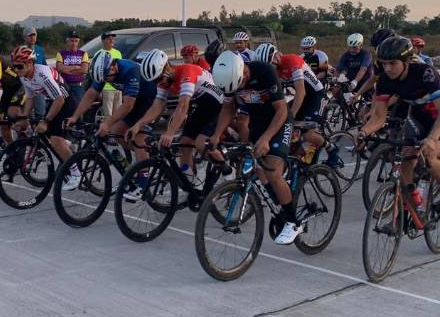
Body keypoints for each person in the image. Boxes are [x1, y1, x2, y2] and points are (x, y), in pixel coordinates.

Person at [210, 51, 300, 245]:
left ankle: (293, 222)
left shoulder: (264, 71)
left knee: (273, 172)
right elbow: (228, 108)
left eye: (241, 84)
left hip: (279, 121)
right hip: (258, 122)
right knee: (259, 170)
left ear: (243, 72)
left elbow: (281, 109)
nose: (240, 88)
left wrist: (266, 139)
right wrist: (217, 135)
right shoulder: (229, 79)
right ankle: (280, 204)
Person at [130, 49, 225, 205]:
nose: (159, 83)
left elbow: (183, 106)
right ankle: (191, 187)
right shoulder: (164, 79)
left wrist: (169, 133)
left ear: (167, 68)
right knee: (184, 144)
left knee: (201, 143)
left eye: (159, 78)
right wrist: (138, 124)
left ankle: (228, 173)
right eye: (155, 81)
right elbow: (157, 106)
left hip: (219, 107)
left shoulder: (186, 71)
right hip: (203, 107)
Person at [359, 36, 440, 212]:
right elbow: (379, 117)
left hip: (437, 119)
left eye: (393, 63)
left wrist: (433, 138)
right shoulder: (384, 80)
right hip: (419, 117)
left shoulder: (425, 73)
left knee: (430, 156)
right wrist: (363, 133)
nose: (388, 68)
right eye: (384, 64)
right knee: (405, 157)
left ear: (406, 61)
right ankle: (411, 198)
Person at [255, 43, 340, 167]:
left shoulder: (292, 61)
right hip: (303, 98)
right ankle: (300, 155)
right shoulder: (275, 69)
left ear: (276, 57)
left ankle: (332, 149)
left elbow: (301, 92)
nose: (269, 70)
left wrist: (291, 116)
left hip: (316, 96)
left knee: (309, 133)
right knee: (285, 125)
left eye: (270, 65)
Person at [67, 50, 157, 165]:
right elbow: (90, 95)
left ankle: (143, 172)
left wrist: (107, 123)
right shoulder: (104, 73)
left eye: (106, 78)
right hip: (135, 100)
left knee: (138, 141)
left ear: (113, 67)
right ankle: (149, 156)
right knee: (117, 132)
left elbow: (128, 105)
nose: (105, 81)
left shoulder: (130, 70)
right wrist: (75, 117)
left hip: (149, 100)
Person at [10, 45, 80, 190]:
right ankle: (67, 144)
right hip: (54, 101)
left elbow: (60, 99)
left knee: (55, 139)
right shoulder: (24, 76)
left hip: (66, 101)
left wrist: (46, 121)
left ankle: (75, 173)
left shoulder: (42, 74)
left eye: (19, 66)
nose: (16, 70)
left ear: (30, 63)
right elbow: (30, 98)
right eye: (14, 66)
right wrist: (23, 117)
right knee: (45, 133)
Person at [56, 31, 89, 102]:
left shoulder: (83, 54)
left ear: (78, 41)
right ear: (67, 40)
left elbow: (84, 70)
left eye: (76, 41)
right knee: (63, 105)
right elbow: (59, 68)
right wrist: (75, 67)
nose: (74, 44)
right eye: (72, 41)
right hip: (65, 85)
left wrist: (66, 70)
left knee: (78, 106)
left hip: (78, 86)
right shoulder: (61, 53)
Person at [99, 32, 123, 118]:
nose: (111, 40)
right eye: (109, 39)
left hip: (118, 87)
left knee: (118, 114)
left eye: (113, 39)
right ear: (103, 40)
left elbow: (120, 69)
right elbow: (98, 74)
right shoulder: (99, 53)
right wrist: (99, 90)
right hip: (106, 88)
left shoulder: (118, 53)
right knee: (108, 115)